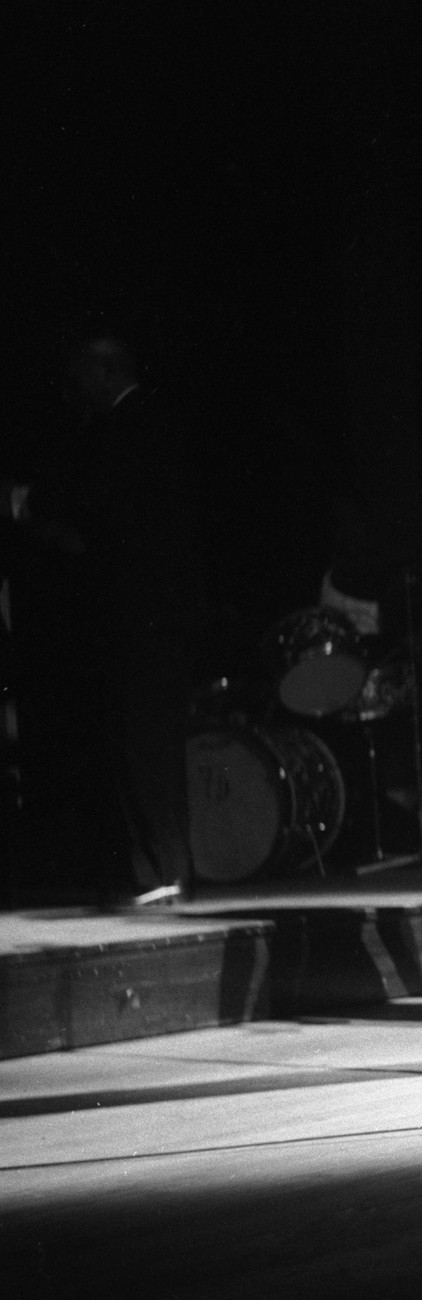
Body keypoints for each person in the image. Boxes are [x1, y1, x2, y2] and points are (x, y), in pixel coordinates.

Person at [3, 336, 206, 905]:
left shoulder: (128, 428)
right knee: (155, 744)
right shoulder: (156, 426)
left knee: (142, 743)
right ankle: (169, 869)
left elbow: (93, 498)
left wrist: (25, 503)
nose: (73, 391)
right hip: (162, 612)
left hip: (140, 616)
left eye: (80, 376)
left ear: (105, 372)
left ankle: (159, 871)